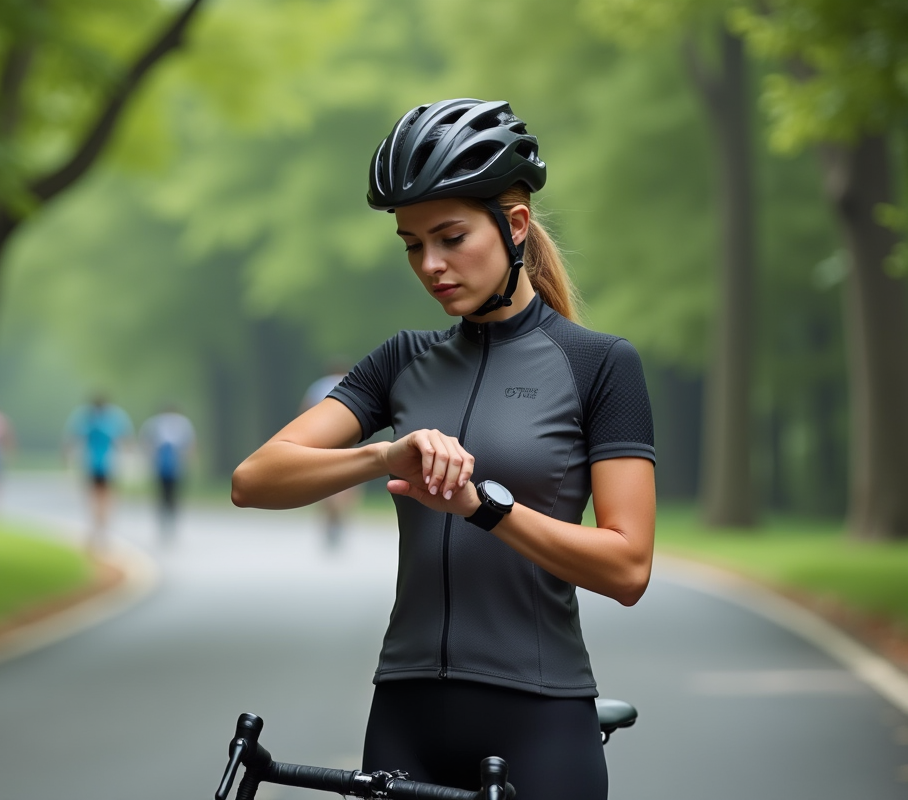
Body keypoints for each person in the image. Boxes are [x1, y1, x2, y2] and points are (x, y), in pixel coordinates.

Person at [231, 99, 656, 800]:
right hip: (405, 713)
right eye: (411, 243)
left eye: (451, 237)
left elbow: (628, 567)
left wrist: (485, 508)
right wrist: (383, 457)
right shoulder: (402, 361)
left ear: (514, 224)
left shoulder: (599, 365)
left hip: (541, 718)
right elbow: (255, 479)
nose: (430, 264)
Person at [301, 362, 363, 550]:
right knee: (349, 481)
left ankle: (330, 519)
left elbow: (305, 411)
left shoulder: (319, 386)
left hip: (322, 441)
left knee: (324, 480)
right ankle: (341, 518)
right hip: (348, 440)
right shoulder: (355, 385)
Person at [64, 394, 133, 553]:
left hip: (91, 464)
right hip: (108, 465)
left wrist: (66, 457)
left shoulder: (86, 418)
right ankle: (102, 532)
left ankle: (96, 531)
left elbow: (73, 438)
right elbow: (125, 439)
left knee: (94, 499)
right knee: (106, 500)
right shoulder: (114, 418)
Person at [138, 405, 197, 543]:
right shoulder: (181, 424)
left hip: (168, 467)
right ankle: (169, 522)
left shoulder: (156, 423)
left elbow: (145, 442)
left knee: (165, 496)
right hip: (171, 467)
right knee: (171, 496)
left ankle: (167, 522)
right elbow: (190, 446)